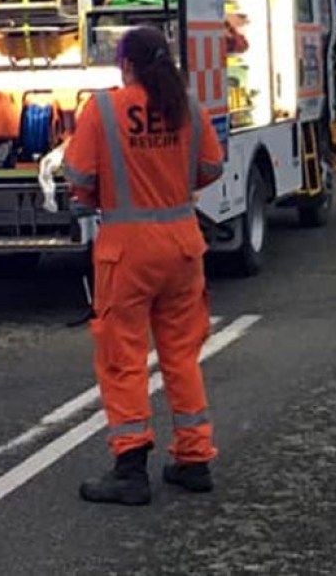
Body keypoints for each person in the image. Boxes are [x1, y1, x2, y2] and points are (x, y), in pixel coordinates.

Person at [65, 25, 225, 506]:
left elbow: (78, 176)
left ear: (127, 65)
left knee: (123, 358)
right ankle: (194, 458)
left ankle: (131, 466)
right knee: (181, 355)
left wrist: (104, 195)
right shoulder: (187, 108)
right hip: (182, 246)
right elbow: (212, 169)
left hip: (127, 251)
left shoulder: (105, 110)